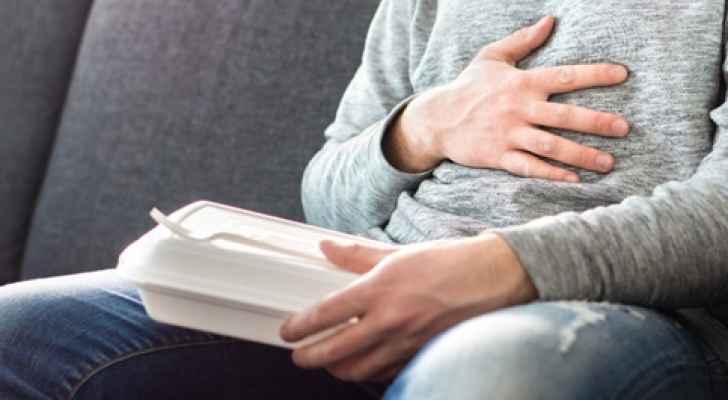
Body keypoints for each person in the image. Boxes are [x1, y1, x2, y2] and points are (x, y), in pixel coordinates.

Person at [1, 1, 727, 399]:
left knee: (491, 380)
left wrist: (502, 268)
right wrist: (420, 128)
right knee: (19, 331)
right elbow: (326, 195)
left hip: (608, 313)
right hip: (364, 287)